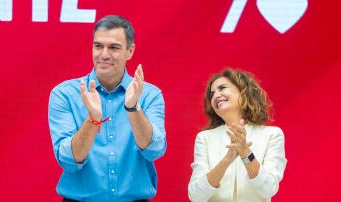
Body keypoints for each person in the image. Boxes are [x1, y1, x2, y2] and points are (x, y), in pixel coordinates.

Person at [48, 15, 167, 202]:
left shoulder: (149, 95)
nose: (104, 54)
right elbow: (69, 160)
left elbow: (154, 150)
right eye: (98, 46)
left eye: (113, 47)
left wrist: (133, 107)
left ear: (130, 51)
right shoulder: (64, 94)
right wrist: (93, 119)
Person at [188, 68, 287, 202]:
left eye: (222, 88)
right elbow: (196, 196)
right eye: (212, 95)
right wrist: (227, 159)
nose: (216, 96)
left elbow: (268, 189)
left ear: (243, 91)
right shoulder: (204, 138)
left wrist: (245, 152)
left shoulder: (272, 135)